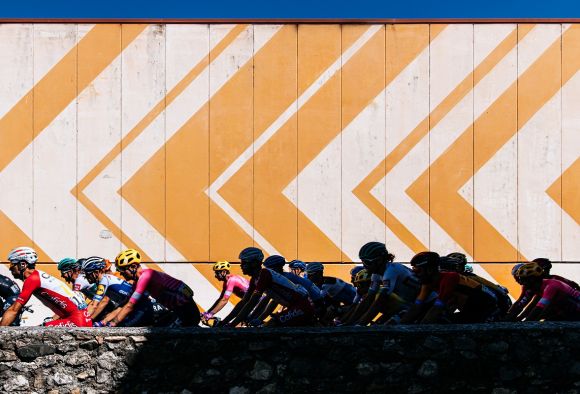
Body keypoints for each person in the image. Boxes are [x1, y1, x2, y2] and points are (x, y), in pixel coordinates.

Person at [1, 247, 91, 327]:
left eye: (13, 264)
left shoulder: (32, 280)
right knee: (38, 329)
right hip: (82, 319)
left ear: (23, 265)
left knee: (31, 335)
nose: (10, 268)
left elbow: (14, 309)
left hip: (76, 320)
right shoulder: (39, 275)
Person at [224, 247, 314, 327]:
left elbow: (252, 302)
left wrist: (232, 324)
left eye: (244, 263)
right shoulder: (254, 279)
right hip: (296, 305)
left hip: (302, 306)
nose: (241, 266)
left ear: (254, 263)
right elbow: (244, 302)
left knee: (271, 325)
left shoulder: (265, 274)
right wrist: (225, 321)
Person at [109, 249, 200, 327]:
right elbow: (124, 305)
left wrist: (113, 323)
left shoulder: (146, 276)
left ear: (133, 266)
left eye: (122, 269)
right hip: (177, 308)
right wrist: (104, 322)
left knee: (167, 336)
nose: (121, 273)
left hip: (185, 307)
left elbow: (130, 305)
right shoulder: (138, 282)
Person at [409, 251, 501, 324]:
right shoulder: (428, 283)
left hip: (487, 310)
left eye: (417, 271)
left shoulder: (450, 278)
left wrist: (421, 327)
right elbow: (417, 305)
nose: (414, 274)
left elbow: (437, 308)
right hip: (471, 309)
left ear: (429, 270)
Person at [351, 242, 421, 326]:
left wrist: (360, 325)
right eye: (362, 262)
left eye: (367, 262)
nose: (364, 266)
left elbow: (380, 301)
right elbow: (368, 299)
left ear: (379, 260)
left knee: (382, 297)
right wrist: (348, 323)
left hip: (423, 305)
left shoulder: (392, 270)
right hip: (410, 305)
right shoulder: (376, 275)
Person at [81, 256, 154, 326]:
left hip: (141, 306)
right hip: (135, 306)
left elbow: (94, 305)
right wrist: (103, 322)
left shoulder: (103, 281)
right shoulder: (104, 280)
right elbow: (121, 306)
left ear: (96, 272)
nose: (86, 277)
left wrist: (84, 321)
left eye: (87, 274)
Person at [506, 259, 579, 321]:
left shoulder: (552, 284)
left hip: (573, 307)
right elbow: (521, 303)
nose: (521, 283)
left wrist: (524, 321)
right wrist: (510, 316)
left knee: (548, 311)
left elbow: (537, 306)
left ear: (532, 279)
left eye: (523, 280)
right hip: (566, 307)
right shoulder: (532, 285)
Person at [263, 255, 325, 319]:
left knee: (275, 322)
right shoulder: (288, 276)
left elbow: (275, 300)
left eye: (269, 269)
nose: (267, 272)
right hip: (311, 304)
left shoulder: (285, 278)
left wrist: (263, 317)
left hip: (311, 306)